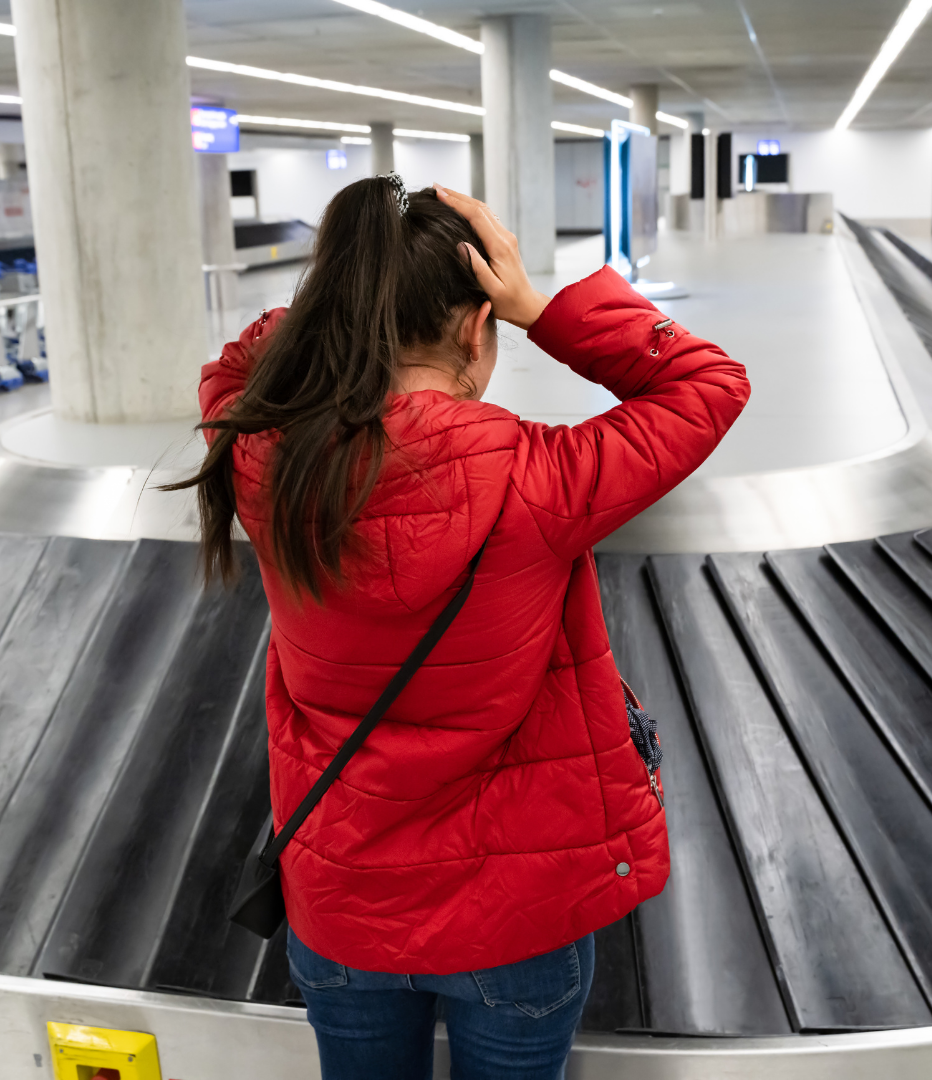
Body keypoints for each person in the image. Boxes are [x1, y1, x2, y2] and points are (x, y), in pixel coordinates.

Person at [183, 174, 749, 1079]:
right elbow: (707, 382)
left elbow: (230, 369)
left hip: (343, 908)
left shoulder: (263, 463)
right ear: (475, 327)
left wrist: (339, 291)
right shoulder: (541, 479)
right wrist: (545, 304)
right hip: (515, 921)